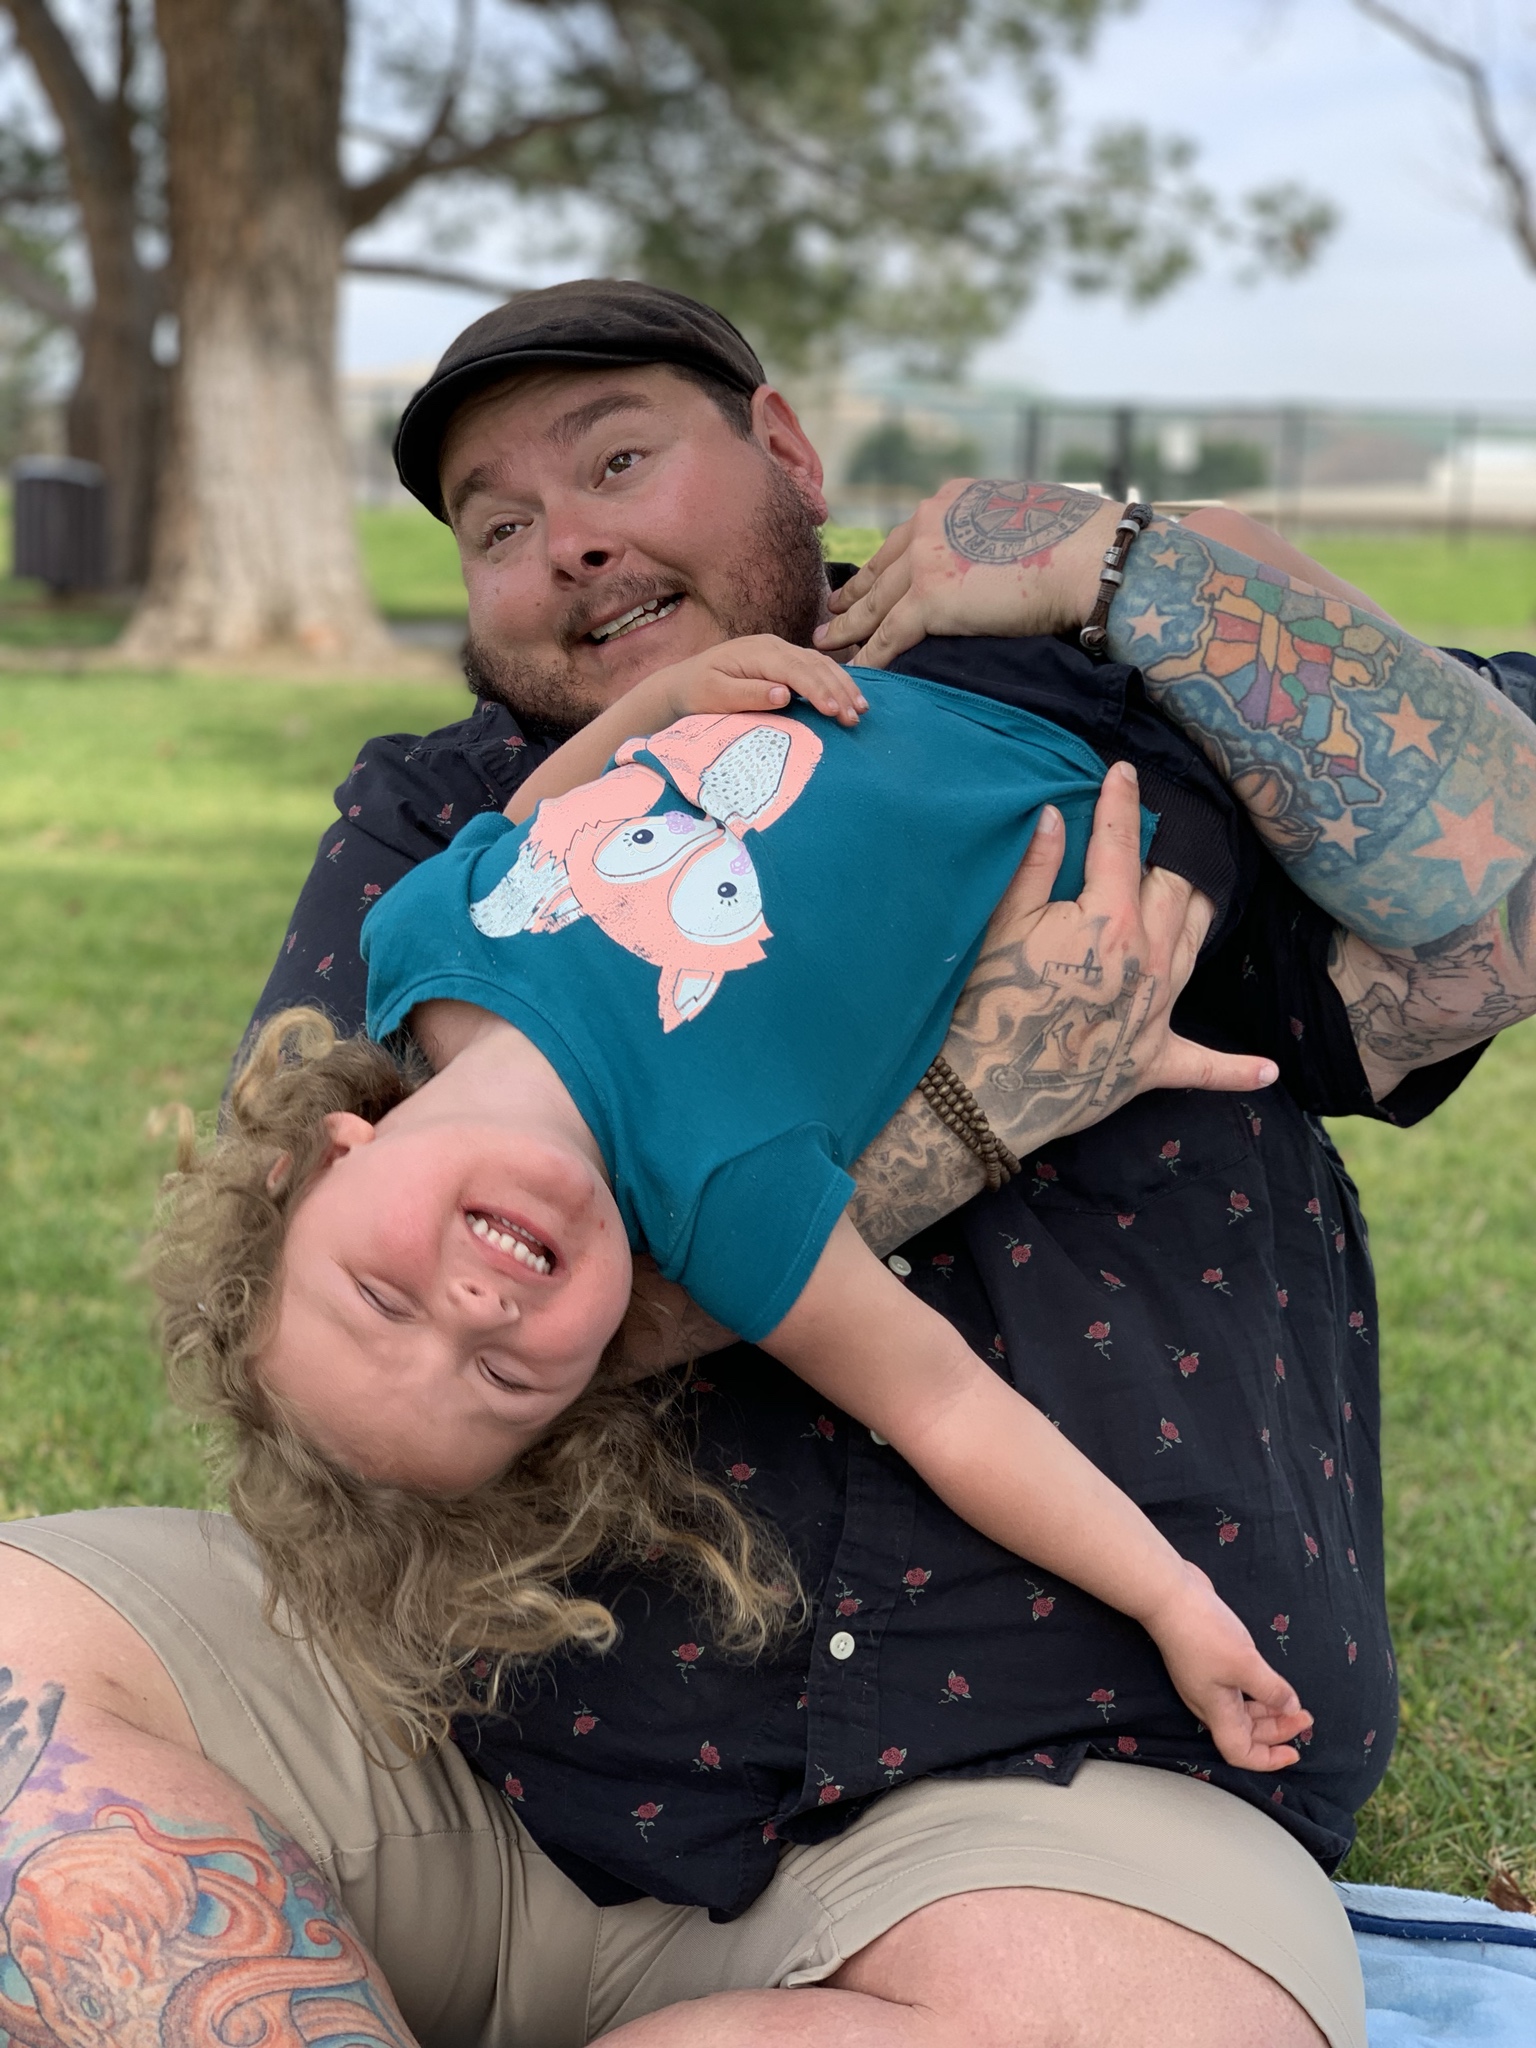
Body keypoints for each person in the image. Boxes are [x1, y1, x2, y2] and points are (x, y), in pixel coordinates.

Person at [5, 278, 1536, 2048]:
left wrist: (1119, 564)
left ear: (788, 453)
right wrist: (953, 1117)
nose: (568, 543)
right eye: (498, 528)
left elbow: (1495, 887)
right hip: (469, 1757)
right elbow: (320, 1273)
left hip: (1050, 1803)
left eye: (618, 461)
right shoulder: (436, 823)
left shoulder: (1115, 700)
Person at [150, 636, 1309, 1778]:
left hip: (940, 672)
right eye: (502, 1377)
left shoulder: (417, 942)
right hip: (1128, 804)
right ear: (593, 1366)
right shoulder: (727, 1213)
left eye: (383, 1298)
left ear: (328, 1158)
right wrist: (1172, 1598)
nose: (472, 1309)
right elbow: (947, 1407)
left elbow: (538, 817)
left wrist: (663, 697)